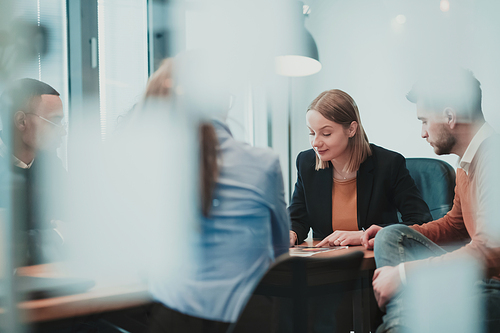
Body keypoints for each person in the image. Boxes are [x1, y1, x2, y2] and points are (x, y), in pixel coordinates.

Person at [132, 59, 290, 333]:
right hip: (247, 321)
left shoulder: (152, 167)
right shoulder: (264, 163)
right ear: (225, 104)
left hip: (172, 321)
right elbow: (279, 256)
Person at [361, 68, 500, 333]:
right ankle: (402, 323)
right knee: (392, 236)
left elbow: (490, 252)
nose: (422, 133)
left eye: (424, 121)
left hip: (494, 289)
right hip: (478, 284)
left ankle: (399, 324)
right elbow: (456, 226)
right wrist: (390, 235)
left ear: (450, 116)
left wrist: (403, 276)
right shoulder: (467, 164)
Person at [289, 89, 432, 247]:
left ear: (351, 129)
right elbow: (297, 219)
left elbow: (420, 222)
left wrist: (365, 235)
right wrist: (291, 233)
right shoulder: (306, 162)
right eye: (311, 133)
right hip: (326, 265)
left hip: (373, 262)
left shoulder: (389, 164)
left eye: (326, 134)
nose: (315, 142)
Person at [0, 78, 67, 265]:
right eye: (54, 122)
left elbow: (78, 224)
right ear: (22, 121)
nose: (62, 132)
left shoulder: (50, 164)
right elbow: (6, 248)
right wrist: (56, 235)